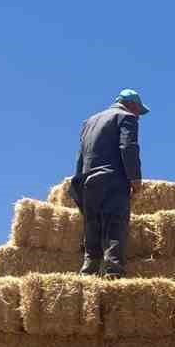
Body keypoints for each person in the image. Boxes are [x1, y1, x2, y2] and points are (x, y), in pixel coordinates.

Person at [70, 89, 148, 277]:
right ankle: (113, 273)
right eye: (139, 110)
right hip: (112, 178)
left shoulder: (89, 122)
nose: (138, 115)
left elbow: (80, 156)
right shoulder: (126, 117)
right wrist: (135, 179)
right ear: (132, 105)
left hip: (88, 180)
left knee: (92, 225)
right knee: (115, 223)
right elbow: (128, 147)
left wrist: (78, 182)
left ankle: (88, 272)